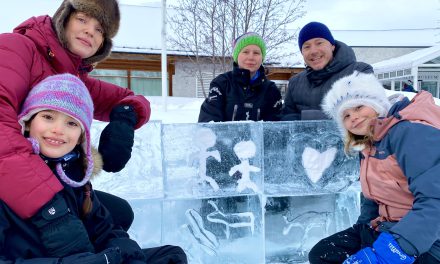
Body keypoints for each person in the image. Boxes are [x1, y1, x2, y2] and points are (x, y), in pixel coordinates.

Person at [0, 0, 148, 255]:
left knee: (118, 215)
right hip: (9, 184)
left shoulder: (74, 80)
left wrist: (125, 118)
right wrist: (49, 209)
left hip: (50, 176)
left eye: (101, 29)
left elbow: (130, 98)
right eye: (82, 19)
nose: (91, 30)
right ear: (63, 19)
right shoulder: (16, 48)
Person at [0, 73, 188, 264]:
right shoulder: (8, 175)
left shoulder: (72, 173)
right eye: (48, 116)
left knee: (171, 256)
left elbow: (105, 230)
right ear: (27, 122)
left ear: (82, 136)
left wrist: (131, 257)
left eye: (71, 123)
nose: (58, 129)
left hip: (85, 255)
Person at [307, 71, 440, 263]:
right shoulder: (370, 144)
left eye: (359, 106)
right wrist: (364, 230)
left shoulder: (410, 132)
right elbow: (373, 198)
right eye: (346, 115)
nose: (353, 117)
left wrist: (392, 251)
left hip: (427, 237)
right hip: (387, 226)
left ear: (377, 104)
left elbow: (435, 199)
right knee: (324, 254)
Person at [281, 21, 373, 121]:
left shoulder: (358, 72)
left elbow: (364, 115)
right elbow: (287, 119)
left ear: (332, 46)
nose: (314, 51)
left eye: (319, 43)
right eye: (307, 47)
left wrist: (307, 118)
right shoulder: (295, 83)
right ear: (302, 52)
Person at [198, 32, 282, 122]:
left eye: (256, 53)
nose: (251, 57)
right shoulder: (221, 83)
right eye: (245, 52)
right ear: (236, 56)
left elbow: (276, 126)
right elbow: (208, 121)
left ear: (262, 58)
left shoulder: (271, 89)